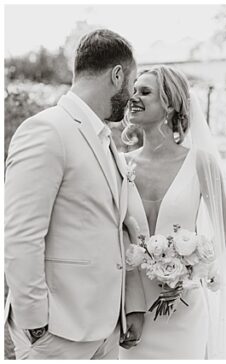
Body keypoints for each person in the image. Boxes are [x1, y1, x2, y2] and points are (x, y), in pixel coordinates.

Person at [4, 28, 145, 360]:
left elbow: (114, 227)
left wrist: (128, 308)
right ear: (117, 74)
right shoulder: (46, 130)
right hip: (58, 333)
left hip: (106, 328)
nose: (131, 95)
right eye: (132, 83)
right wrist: (36, 324)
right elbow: (21, 234)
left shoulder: (105, 139)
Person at [118, 65, 226, 359]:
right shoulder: (121, 164)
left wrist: (190, 271)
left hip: (183, 306)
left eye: (145, 92)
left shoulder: (201, 162)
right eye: (133, 91)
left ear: (170, 105)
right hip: (132, 308)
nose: (134, 97)